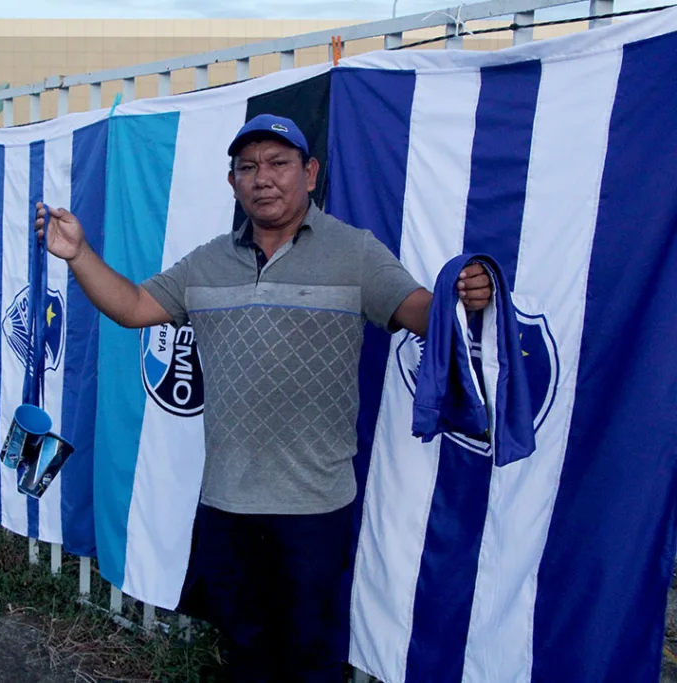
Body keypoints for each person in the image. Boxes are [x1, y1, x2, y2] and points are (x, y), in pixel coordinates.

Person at [35, 113, 491, 682]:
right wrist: (78, 254)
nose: (262, 178)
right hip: (227, 503)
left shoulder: (354, 253)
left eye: (278, 163)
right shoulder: (206, 262)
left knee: (311, 660)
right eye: (247, 167)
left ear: (310, 172)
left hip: (315, 508)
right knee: (245, 654)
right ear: (232, 183)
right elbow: (130, 307)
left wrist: (462, 295)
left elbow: (420, 312)